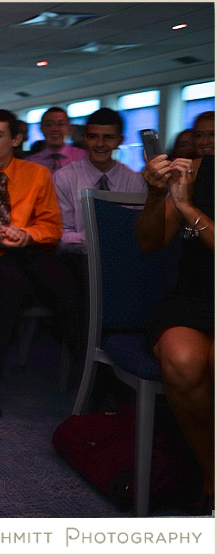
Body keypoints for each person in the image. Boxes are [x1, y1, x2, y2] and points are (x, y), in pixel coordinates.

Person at [0, 109, 82, 418]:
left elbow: (51, 228)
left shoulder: (37, 174)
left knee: (66, 285)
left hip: (28, 248)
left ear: (16, 139)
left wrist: (27, 235)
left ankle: (94, 376)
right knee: (13, 289)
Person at [138, 152, 214, 515]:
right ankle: (212, 473)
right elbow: (150, 242)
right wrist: (157, 196)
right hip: (194, 296)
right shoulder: (199, 170)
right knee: (182, 360)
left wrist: (187, 208)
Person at [53, 108, 147, 259]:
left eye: (108, 137)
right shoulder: (64, 178)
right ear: (85, 139)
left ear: (120, 141)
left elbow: (140, 233)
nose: (100, 144)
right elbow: (60, 234)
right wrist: (103, 239)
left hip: (125, 259)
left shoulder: (135, 182)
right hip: (77, 261)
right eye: (93, 137)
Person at [26, 107, 86, 172]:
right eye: (49, 125)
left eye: (61, 124)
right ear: (41, 129)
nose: (55, 129)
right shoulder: (30, 163)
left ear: (69, 128)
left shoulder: (84, 157)